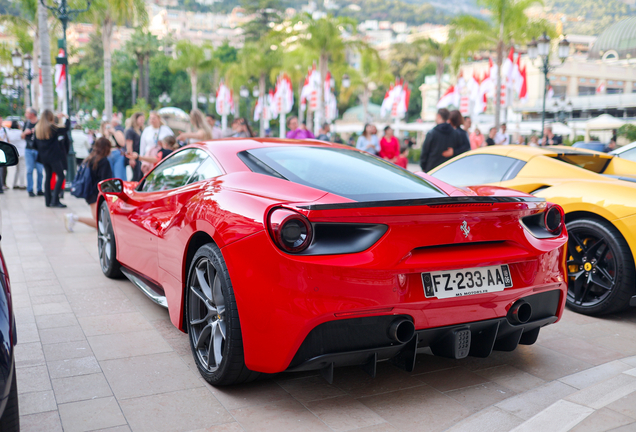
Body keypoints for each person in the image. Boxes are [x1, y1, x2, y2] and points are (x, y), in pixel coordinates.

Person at [64, 137, 113, 232]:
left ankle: (73, 218)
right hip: (96, 194)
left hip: (90, 193)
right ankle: (73, 218)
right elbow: (105, 181)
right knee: (99, 223)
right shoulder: (103, 161)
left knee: (99, 222)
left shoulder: (91, 158)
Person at [34, 110, 70, 208]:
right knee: (61, 176)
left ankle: (48, 200)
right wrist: (66, 117)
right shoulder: (52, 128)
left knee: (48, 177)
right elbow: (66, 128)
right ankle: (55, 200)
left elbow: (34, 145)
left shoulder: (37, 128)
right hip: (54, 156)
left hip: (44, 157)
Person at [22, 108, 44, 197]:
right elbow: (22, 136)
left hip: (39, 149)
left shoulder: (40, 123)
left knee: (40, 170)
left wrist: (36, 131)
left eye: (27, 113)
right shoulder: (26, 123)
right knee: (29, 170)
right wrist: (26, 132)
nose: (26, 114)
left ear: (32, 114)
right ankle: (30, 189)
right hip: (28, 149)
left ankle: (39, 189)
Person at [125, 112, 145, 181]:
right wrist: (131, 158)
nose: (142, 121)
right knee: (136, 176)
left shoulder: (141, 130)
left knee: (141, 175)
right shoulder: (130, 131)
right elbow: (129, 145)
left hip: (140, 155)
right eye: (141, 119)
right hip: (134, 156)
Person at [7, 121, 26, 189]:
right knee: (22, 169)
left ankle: (14, 184)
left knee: (16, 170)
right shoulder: (20, 132)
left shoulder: (9, 132)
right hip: (21, 152)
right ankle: (21, 184)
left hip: (14, 153)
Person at [0, 117, 9, 193]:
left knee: (4, 169)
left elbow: (8, 139)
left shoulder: (5, 129)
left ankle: (3, 183)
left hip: (4, 151)